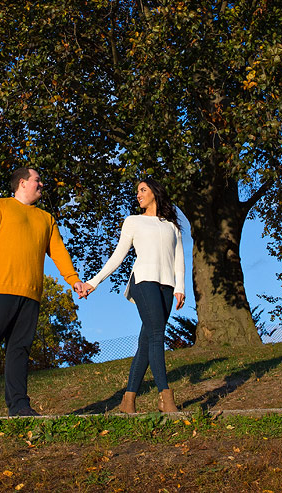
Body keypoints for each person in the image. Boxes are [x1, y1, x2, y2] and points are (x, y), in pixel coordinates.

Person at [0, 166, 88, 418]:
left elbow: (58, 251)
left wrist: (73, 279)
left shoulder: (46, 219)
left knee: (19, 351)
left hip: (30, 295)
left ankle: (19, 406)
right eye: (37, 180)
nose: (41, 185)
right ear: (22, 183)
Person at [81, 176, 186, 414]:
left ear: (155, 193)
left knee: (147, 341)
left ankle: (128, 401)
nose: (138, 194)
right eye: (137, 191)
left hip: (167, 285)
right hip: (143, 281)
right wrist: (93, 282)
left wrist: (181, 287)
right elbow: (118, 255)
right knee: (158, 334)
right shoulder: (133, 221)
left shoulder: (172, 227)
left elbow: (179, 259)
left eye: (143, 190)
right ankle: (166, 397)